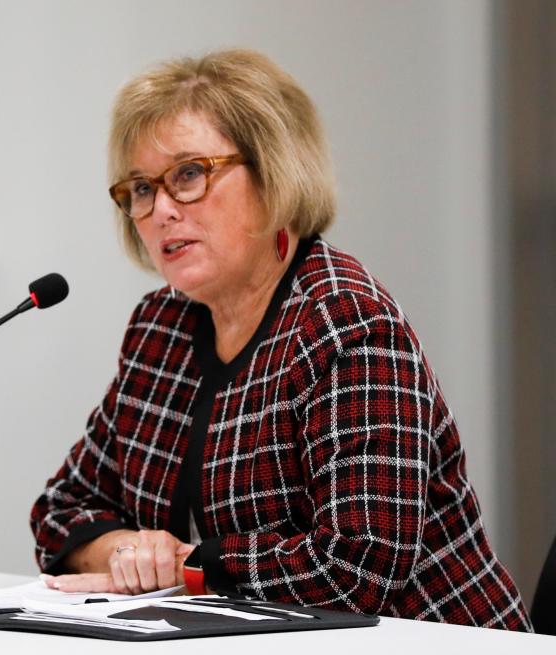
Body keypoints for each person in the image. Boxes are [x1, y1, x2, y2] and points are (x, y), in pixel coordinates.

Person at [29, 48, 531, 631]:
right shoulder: (159, 328)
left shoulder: (344, 322)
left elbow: (358, 567)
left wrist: (181, 569)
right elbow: (61, 509)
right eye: (141, 188)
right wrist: (129, 554)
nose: (161, 208)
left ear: (274, 174)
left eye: (189, 174)